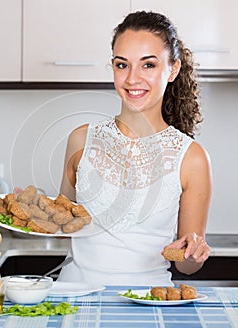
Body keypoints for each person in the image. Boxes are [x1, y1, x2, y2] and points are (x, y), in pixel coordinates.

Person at [58, 10, 212, 286]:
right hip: (75, 297)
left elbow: (185, 264)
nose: (132, 79)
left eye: (148, 65)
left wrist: (194, 254)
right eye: (122, 65)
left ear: (173, 69)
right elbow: (60, 221)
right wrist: (30, 209)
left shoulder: (191, 157)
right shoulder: (81, 140)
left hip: (148, 300)